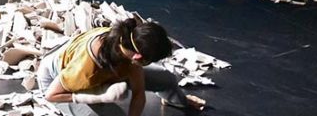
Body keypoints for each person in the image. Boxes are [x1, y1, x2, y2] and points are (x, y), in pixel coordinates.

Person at [37, 18, 207, 116]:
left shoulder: (129, 41)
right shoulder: (87, 67)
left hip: (110, 70)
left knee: (166, 79)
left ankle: (181, 101)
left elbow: (139, 93)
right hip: (57, 82)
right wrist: (98, 97)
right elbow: (51, 95)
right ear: (140, 57)